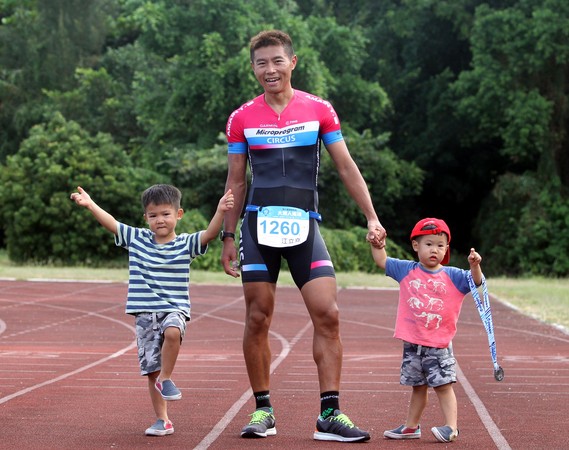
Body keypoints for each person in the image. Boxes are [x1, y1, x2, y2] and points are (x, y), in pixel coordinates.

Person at [220, 29, 386, 443]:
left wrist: (371, 217)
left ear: (293, 62)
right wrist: (227, 235)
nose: (270, 69)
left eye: (277, 61)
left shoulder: (319, 109)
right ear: (253, 68)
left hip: (304, 224)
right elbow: (236, 182)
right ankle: (263, 411)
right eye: (261, 63)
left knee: (328, 314)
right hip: (257, 225)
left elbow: (346, 166)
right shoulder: (242, 117)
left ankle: (330, 414)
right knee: (258, 317)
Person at [70, 184, 234, 436]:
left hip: (174, 309)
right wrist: (91, 205)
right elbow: (112, 223)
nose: (160, 220)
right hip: (144, 314)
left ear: (179, 215)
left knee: (172, 332)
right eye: (153, 215)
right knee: (151, 370)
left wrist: (221, 211)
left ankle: (166, 379)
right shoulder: (137, 239)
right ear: (145, 217)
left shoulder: (186, 243)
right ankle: (163, 419)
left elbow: (210, 235)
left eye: (166, 214)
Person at [369, 217, 483, 443]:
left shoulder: (454, 276)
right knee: (417, 387)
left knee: (443, 386)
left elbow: (476, 282)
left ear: (446, 249)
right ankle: (411, 427)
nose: (435, 250)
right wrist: (376, 245)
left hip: (438, 345)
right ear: (415, 246)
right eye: (429, 244)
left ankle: (451, 428)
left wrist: (475, 265)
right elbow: (382, 262)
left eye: (440, 246)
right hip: (412, 345)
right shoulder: (406, 270)